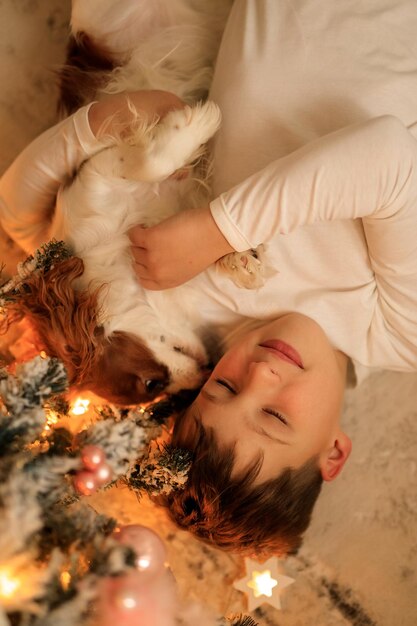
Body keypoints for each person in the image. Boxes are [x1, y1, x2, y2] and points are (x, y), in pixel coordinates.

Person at [1, 0, 417, 556]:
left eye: (222, 388)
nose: (262, 372)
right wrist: (216, 232)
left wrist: (92, 130)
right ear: (334, 452)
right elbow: (389, 159)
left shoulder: (201, 326)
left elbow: (29, 226)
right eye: (273, 415)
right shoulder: (398, 330)